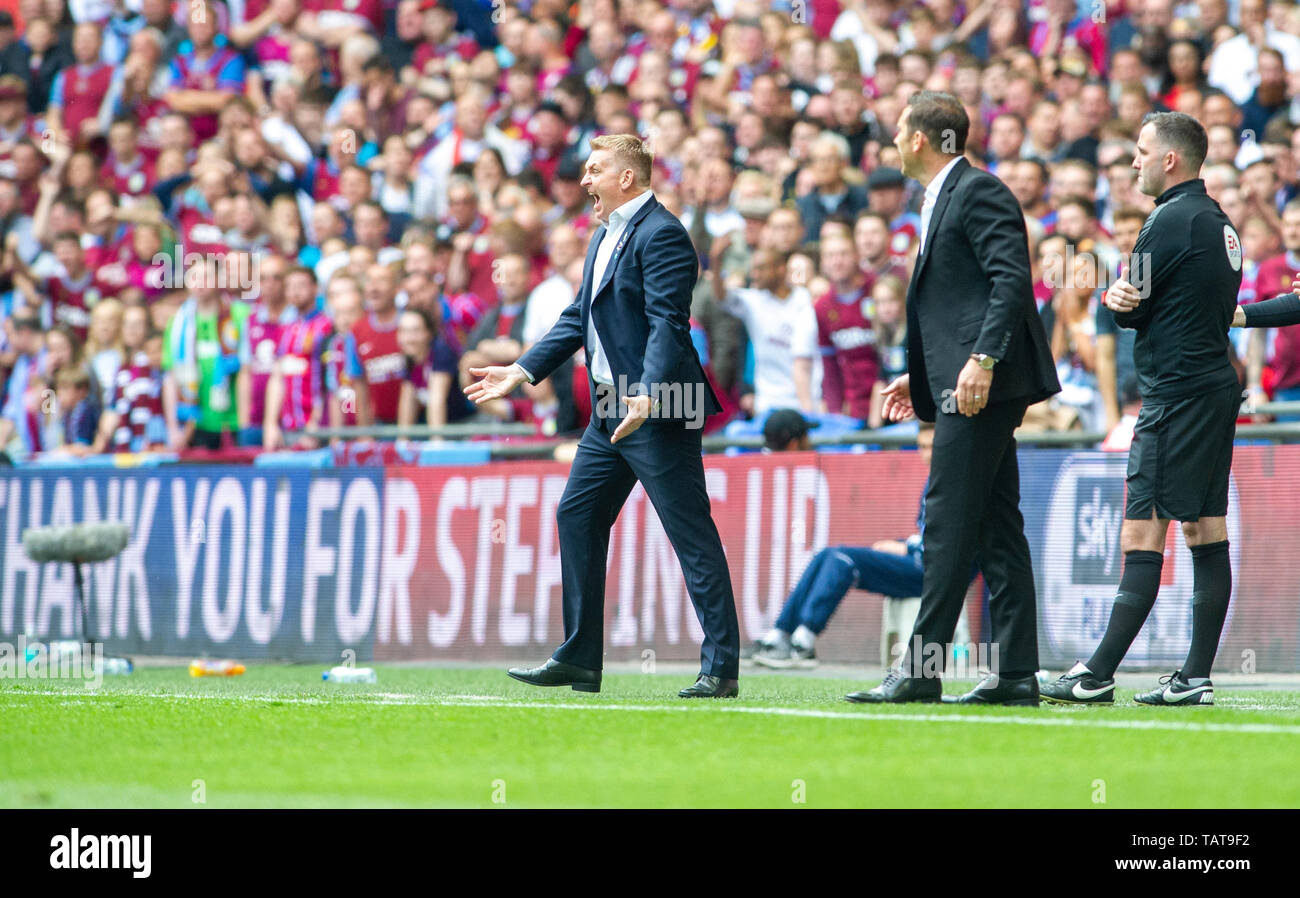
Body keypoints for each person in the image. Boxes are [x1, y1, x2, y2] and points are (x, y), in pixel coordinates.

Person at [464, 134, 740, 698]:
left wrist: (649, 392)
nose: (584, 181)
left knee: (688, 532)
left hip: (658, 408)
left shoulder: (663, 235)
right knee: (576, 515)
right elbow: (577, 318)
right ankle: (582, 657)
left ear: (628, 178)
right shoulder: (604, 236)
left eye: (595, 171)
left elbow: (669, 323)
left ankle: (721, 668)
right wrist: (520, 370)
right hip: (610, 409)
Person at [847, 91, 1059, 706]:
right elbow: (951, 306)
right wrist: (921, 379)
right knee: (996, 528)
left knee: (944, 520)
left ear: (919, 139)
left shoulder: (978, 190)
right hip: (962, 381)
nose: (891, 142)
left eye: (896, 132)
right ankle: (1016, 672)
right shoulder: (940, 198)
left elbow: (1010, 280)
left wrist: (982, 361)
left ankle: (921, 669)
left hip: (982, 386)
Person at [1043, 112, 1243, 707]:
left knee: (1142, 529)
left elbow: (1131, 307)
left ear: (1170, 160)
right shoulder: (1218, 223)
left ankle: (1097, 674)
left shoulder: (1166, 220)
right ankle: (1195, 676)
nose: (1134, 161)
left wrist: (1113, 297)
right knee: (1205, 526)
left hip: (1174, 396)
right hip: (1212, 389)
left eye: (1140, 151)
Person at [755, 424, 956, 668]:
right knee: (827, 555)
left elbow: (953, 540)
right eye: (921, 447)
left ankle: (803, 642)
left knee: (843, 560)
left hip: (936, 572)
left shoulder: (955, 483)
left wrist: (908, 548)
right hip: (920, 561)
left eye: (932, 447)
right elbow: (929, 534)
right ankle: (780, 634)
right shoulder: (933, 481)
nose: (926, 453)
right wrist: (905, 544)